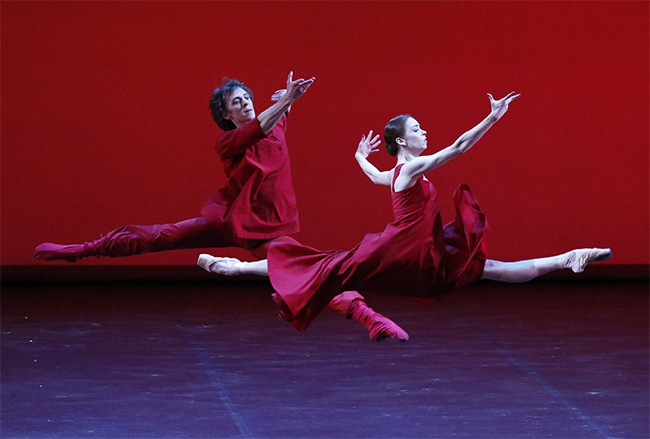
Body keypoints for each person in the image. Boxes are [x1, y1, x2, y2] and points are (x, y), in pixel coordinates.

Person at [197, 92, 612, 338]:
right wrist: (493, 117)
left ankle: (568, 258)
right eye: (417, 129)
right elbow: (459, 148)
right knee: (323, 268)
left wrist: (360, 157)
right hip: (400, 251)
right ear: (402, 141)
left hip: (421, 252)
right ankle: (235, 268)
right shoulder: (410, 167)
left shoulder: (395, 170)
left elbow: (376, 174)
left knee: (493, 270)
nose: (424, 133)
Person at [35, 72, 406, 340]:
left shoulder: (276, 123)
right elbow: (261, 125)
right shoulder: (229, 140)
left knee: (307, 277)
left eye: (246, 97)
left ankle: (368, 317)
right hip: (229, 220)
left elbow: (276, 116)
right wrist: (286, 100)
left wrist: (287, 99)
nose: (244, 103)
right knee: (159, 236)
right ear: (228, 114)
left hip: (269, 229)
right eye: (236, 102)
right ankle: (81, 251)